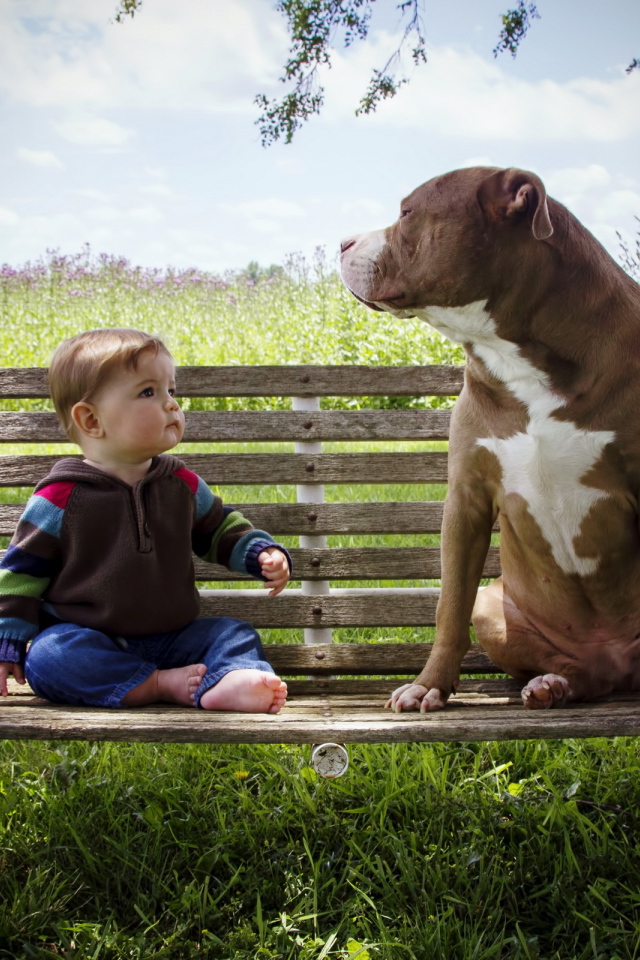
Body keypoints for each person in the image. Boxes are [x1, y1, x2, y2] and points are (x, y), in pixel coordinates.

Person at [0, 328, 291, 713]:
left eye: (171, 391)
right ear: (91, 419)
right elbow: (21, 571)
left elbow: (218, 528)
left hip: (176, 639)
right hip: (91, 638)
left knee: (232, 633)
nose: (171, 404)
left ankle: (230, 679)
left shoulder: (181, 484)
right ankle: (158, 684)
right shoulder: (59, 498)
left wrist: (259, 552)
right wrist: (9, 637)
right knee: (50, 656)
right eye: (148, 392)